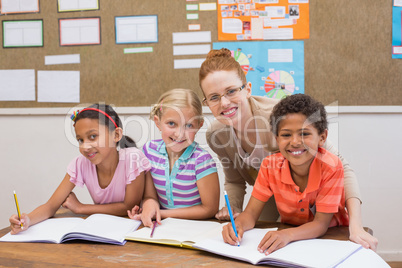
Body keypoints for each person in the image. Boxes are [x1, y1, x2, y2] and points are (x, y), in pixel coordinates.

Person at [199, 48, 378, 250]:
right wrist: (234, 218)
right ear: (206, 102)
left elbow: (341, 167)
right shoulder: (217, 134)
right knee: (258, 239)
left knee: (294, 236)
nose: (224, 102)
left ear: (247, 89)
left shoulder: (282, 119)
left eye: (231, 91)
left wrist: (356, 225)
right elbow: (234, 180)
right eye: (214, 97)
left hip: (310, 195)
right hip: (269, 192)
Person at [222, 94, 349, 254]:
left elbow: (321, 225)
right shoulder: (269, 166)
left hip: (333, 240)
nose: (295, 142)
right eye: (286, 135)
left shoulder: (331, 166)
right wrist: (238, 224)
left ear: (322, 137)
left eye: (304, 134)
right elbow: (250, 214)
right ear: (276, 138)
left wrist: (287, 235)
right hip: (291, 243)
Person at [9, 104, 150, 234]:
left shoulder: (132, 159)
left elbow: (129, 206)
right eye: (80, 140)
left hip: (136, 231)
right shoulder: (80, 163)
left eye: (93, 136)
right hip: (105, 232)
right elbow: (51, 206)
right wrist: (27, 220)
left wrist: (81, 208)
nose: (85, 146)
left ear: (116, 135)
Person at [128, 89, 220, 227]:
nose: (179, 134)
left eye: (189, 125)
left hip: (195, 228)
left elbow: (209, 209)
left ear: (199, 126)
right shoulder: (149, 151)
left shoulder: (202, 160)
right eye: (171, 123)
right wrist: (148, 207)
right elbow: (150, 195)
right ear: (157, 122)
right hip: (161, 227)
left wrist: (161, 214)